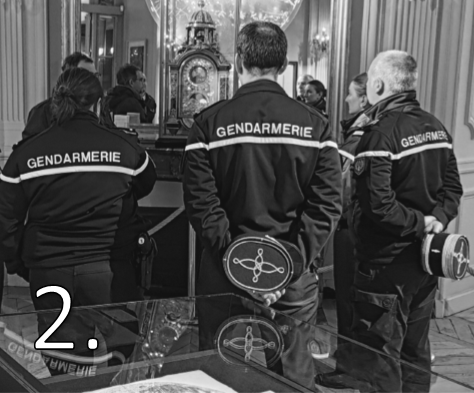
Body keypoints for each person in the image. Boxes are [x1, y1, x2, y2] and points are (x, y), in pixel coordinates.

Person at [183, 21, 342, 390]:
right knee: (292, 377)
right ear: (282, 65)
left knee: (218, 374)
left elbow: (202, 206)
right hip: (291, 277)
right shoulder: (315, 126)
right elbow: (326, 207)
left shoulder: (208, 124)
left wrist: (237, 265)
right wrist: (285, 268)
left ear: (239, 60)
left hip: (224, 270)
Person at [349, 51, 463, 392]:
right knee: (415, 351)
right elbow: (453, 189)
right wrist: (436, 220)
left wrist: (421, 222)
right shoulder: (436, 126)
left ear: (378, 85)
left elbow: (378, 205)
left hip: (385, 264)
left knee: (378, 357)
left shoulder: (379, 134)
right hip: (426, 261)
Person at [0, 67, 157, 310]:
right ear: (98, 105)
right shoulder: (125, 147)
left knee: (58, 336)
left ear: (55, 103)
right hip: (109, 268)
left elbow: (7, 216)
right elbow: (145, 183)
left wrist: (17, 263)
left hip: (48, 269)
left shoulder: (26, 154)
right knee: (118, 333)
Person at [316, 72, 372, 388]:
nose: (346, 98)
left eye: (351, 93)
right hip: (367, 229)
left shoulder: (358, 137)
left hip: (352, 227)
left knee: (349, 301)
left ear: (364, 98)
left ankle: (350, 370)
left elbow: (340, 188)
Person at [22, 52, 98, 139]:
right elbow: (31, 145)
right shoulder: (41, 113)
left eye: (95, 75)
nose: (93, 80)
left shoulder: (98, 107)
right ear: (68, 75)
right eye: (85, 75)